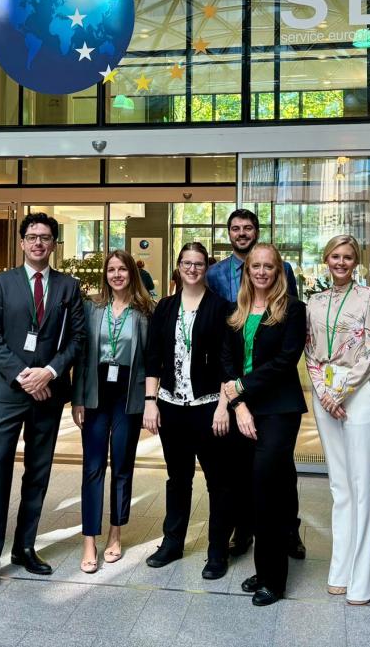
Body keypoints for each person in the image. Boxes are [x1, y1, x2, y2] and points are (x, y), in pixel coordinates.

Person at [0, 212, 86, 594]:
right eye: (32, 236)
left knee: (37, 474)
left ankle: (24, 547)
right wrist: (26, 376)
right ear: (22, 242)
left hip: (48, 395)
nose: (39, 242)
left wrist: (50, 373)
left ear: (54, 243)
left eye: (46, 237)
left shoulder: (68, 286)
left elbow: (76, 340)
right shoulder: (2, 283)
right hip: (8, 393)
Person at [205, 208, 304, 560]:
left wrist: (240, 387)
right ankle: (245, 530)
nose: (242, 233)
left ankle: (288, 532)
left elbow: (286, 325)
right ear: (229, 233)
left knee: (278, 471)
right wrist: (230, 396)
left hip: (270, 390)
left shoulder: (284, 276)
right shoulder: (215, 274)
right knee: (243, 469)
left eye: (248, 228)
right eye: (236, 228)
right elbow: (221, 333)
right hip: (236, 386)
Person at [220, 243, 307, 607]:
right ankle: (265, 564)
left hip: (278, 410)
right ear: (247, 270)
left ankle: (274, 579)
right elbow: (227, 362)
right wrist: (238, 403)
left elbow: (287, 361)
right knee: (253, 490)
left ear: (278, 270)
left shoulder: (293, 309)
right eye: (255, 265)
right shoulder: (236, 311)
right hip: (245, 411)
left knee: (266, 490)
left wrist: (241, 387)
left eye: (268, 266)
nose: (261, 271)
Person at [142, 241, 233, 579]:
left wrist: (224, 407)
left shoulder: (222, 308)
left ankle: (217, 551)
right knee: (177, 478)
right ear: (178, 267)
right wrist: (150, 403)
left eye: (198, 263)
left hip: (208, 409)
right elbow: (153, 358)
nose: (192, 268)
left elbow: (228, 363)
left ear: (205, 267)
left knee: (218, 482)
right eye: (186, 263)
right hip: (171, 408)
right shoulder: (164, 308)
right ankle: (172, 542)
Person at [304, 235, 370, 604]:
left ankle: (362, 579)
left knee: (361, 485)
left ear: (357, 261)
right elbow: (309, 351)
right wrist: (324, 393)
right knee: (339, 486)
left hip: (360, 393)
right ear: (326, 259)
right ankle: (339, 567)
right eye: (335, 256)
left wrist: (341, 392)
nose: (341, 262)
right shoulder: (315, 301)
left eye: (348, 257)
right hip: (325, 396)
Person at [72, 250, 153, 573]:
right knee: (92, 467)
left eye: (122, 269)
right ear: (105, 274)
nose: (117, 274)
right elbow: (80, 356)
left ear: (132, 273)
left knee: (122, 465)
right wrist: (77, 398)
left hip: (128, 394)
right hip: (95, 393)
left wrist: (151, 401)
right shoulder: (92, 309)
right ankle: (90, 539)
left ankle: (115, 534)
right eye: (111, 269)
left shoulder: (145, 311)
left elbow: (150, 360)